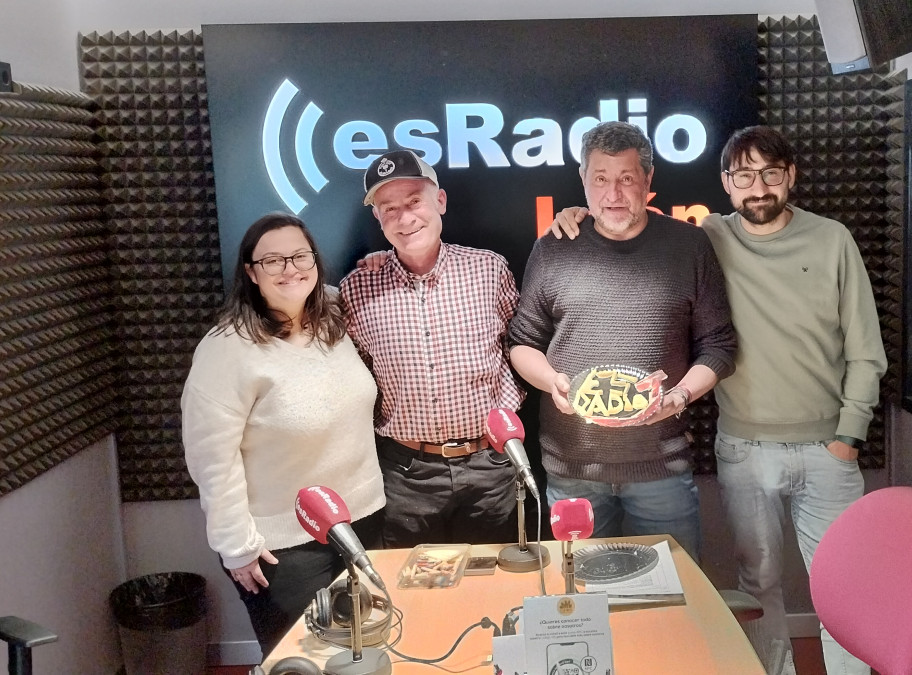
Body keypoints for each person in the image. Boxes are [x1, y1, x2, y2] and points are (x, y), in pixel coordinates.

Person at [548, 125, 887, 675]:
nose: (758, 189)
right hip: (744, 448)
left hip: (829, 450)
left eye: (771, 174)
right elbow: (621, 216)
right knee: (758, 585)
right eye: (744, 176)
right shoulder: (707, 236)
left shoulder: (832, 239)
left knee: (843, 589)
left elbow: (867, 351)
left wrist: (848, 437)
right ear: (726, 183)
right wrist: (579, 214)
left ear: (790, 177)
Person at [507, 121, 737, 562]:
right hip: (572, 471)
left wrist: (682, 395)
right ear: (583, 180)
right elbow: (522, 342)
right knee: (580, 604)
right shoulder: (553, 247)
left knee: (673, 604)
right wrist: (552, 381)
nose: (613, 194)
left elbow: (719, 345)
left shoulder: (689, 246)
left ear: (648, 180)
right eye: (601, 179)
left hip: (662, 470)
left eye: (626, 179)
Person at [181, 213, 386, 654]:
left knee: (369, 653)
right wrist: (236, 547)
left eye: (299, 256)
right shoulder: (227, 348)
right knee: (308, 658)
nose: (289, 269)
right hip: (286, 547)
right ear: (251, 273)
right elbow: (211, 458)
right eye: (272, 260)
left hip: (362, 519)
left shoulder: (333, 315)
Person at [340, 148, 524, 549]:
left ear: (439, 201)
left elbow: (521, 346)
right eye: (389, 208)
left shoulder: (489, 269)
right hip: (406, 474)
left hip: (490, 466)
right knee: (414, 593)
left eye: (414, 202)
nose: (404, 218)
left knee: (496, 582)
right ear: (378, 218)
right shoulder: (356, 288)